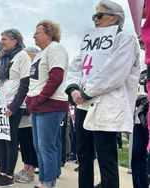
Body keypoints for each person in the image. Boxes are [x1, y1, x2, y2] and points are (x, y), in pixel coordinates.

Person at [65, 1, 140, 188]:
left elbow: (114, 73)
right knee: (84, 155)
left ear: (114, 17)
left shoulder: (126, 39)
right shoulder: (90, 41)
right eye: (94, 16)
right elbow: (76, 66)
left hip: (107, 105)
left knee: (106, 157)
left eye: (99, 16)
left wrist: (85, 92)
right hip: (83, 104)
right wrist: (74, 89)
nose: (95, 20)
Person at [26, 19, 69, 188]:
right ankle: (44, 181)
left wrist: (39, 98)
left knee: (47, 146)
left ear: (49, 33)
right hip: (39, 105)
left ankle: (49, 183)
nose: (34, 36)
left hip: (50, 105)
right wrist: (32, 100)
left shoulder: (55, 48)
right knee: (39, 146)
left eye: (37, 32)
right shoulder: (40, 54)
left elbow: (56, 76)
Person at [0, 29, 31, 187]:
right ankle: (2, 173)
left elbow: (25, 85)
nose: (2, 41)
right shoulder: (3, 58)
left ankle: (9, 176)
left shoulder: (23, 56)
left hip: (13, 105)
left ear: (15, 41)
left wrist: (13, 107)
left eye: (5, 39)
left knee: (10, 140)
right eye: (1, 39)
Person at [15, 47, 39, 184]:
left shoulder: (35, 69)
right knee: (24, 143)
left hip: (30, 112)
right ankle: (25, 167)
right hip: (22, 113)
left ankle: (31, 171)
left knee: (31, 143)